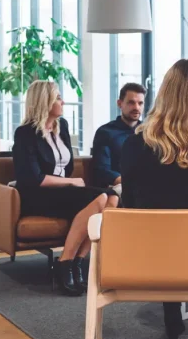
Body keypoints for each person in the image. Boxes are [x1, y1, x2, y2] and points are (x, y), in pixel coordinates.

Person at [120, 59, 188, 339]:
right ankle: (173, 304)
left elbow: (129, 203)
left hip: (144, 258)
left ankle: (171, 303)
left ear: (164, 93)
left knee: (159, 221)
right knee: (187, 221)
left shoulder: (135, 143)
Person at [13, 81, 118, 297]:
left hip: (62, 191)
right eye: (58, 97)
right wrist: (72, 183)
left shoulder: (63, 127)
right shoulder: (25, 133)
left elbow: (67, 167)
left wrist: (71, 182)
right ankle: (65, 262)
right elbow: (34, 179)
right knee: (99, 197)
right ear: (45, 101)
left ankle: (79, 261)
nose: (63, 101)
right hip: (37, 194)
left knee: (112, 198)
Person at [91, 83, 146, 192]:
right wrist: (132, 183)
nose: (136, 107)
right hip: (118, 187)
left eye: (140, 103)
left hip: (147, 187)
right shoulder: (105, 132)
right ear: (119, 103)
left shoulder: (149, 132)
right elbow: (102, 170)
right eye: (131, 102)